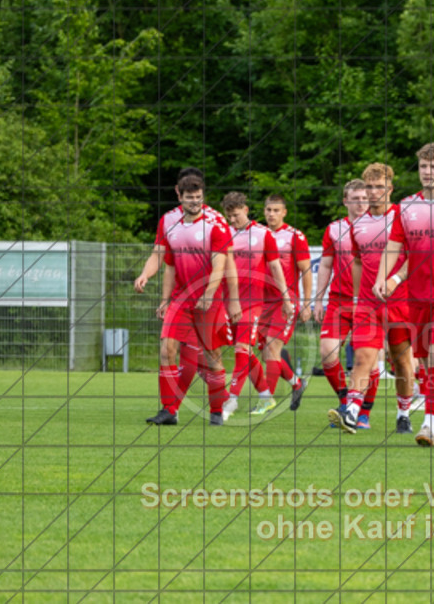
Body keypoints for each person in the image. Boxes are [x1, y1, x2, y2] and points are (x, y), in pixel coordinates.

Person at [375, 142, 434, 446]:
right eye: (423, 167)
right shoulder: (406, 206)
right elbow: (394, 247)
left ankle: (428, 424)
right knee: (430, 365)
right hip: (415, 295)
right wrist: (383, 278)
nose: (428, 172)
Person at [134, 167, 240, 406]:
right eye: (189, 197)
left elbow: (222, 265)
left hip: (208, 300)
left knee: (209, 356)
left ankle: (221, 401)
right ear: (178, 194)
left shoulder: (216, 223)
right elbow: (162, 259)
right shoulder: (168, 221)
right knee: (167, 350)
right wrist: (146, 276)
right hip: (182, 299)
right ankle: (169, 411)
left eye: (198, 197)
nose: (194, 202)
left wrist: (218, 296)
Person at [328, 163, 416, 434]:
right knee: (364, 356)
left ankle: (403, 413)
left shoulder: (404, 217)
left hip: (402, 302)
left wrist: (395, 279)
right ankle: (352, 412)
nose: (374, 191)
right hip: (368, 303)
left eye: (380, 186)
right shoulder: (359, 224)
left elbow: (416, 257)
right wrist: (356, 298)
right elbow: (356, 262)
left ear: (390, 188)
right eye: (370, 187)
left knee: (401, 362)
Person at [221, 192, 293, 421]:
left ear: (245, 209)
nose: (232, 220)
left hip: (252, 303)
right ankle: (265, 396)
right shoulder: (223, 234)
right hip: (227, 301)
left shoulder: (263, 235)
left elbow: (275, 268)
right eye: (228, 216)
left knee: (242, 350)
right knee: (246, 352)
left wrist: (286, 298)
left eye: (235, 215)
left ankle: (230, 401)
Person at [313, 179, 369, 408]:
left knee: (366, 359)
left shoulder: (381, 227)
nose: (361, 204)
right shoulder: (334, 229)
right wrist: (318, 300)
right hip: (339, 300)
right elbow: (325, 265)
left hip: (368, 301)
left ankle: (363, 412)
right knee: (327, 353)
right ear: (345, 201)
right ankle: (345, 400)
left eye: (365, 199)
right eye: (355, 199)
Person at [255, 194, 313, 413]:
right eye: (268, 210)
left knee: (272, 347)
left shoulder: (294, 236)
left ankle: (265, 401)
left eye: (276, 210)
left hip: (285, 302)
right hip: (262, 303)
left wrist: (306, 303)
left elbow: (306, 271)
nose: (271, 214)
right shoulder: (258, 235)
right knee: (266, 352)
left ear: (284, 212)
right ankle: (297, 383)